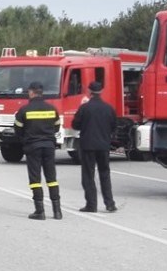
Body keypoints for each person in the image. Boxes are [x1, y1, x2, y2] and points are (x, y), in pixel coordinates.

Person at [14, 82, 62, 220]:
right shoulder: (52, 108)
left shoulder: (24, 110)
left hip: (32, 146)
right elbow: (57, 127)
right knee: (51, 178)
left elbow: (18, 130)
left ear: (31, 92)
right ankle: (57, 212)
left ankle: (40, 211)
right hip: (49, 146)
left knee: (35, 179)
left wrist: (25, 140)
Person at [72, 81, 118, 213]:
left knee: (88, 175)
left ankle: (91, 205)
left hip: (88, 145)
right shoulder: (108, 108)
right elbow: (114, 126)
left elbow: (75, 124)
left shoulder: (84, 108)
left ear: (89, 91)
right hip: (103, 145)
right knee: (105, 174)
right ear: (101, 91)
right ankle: (110, 203)